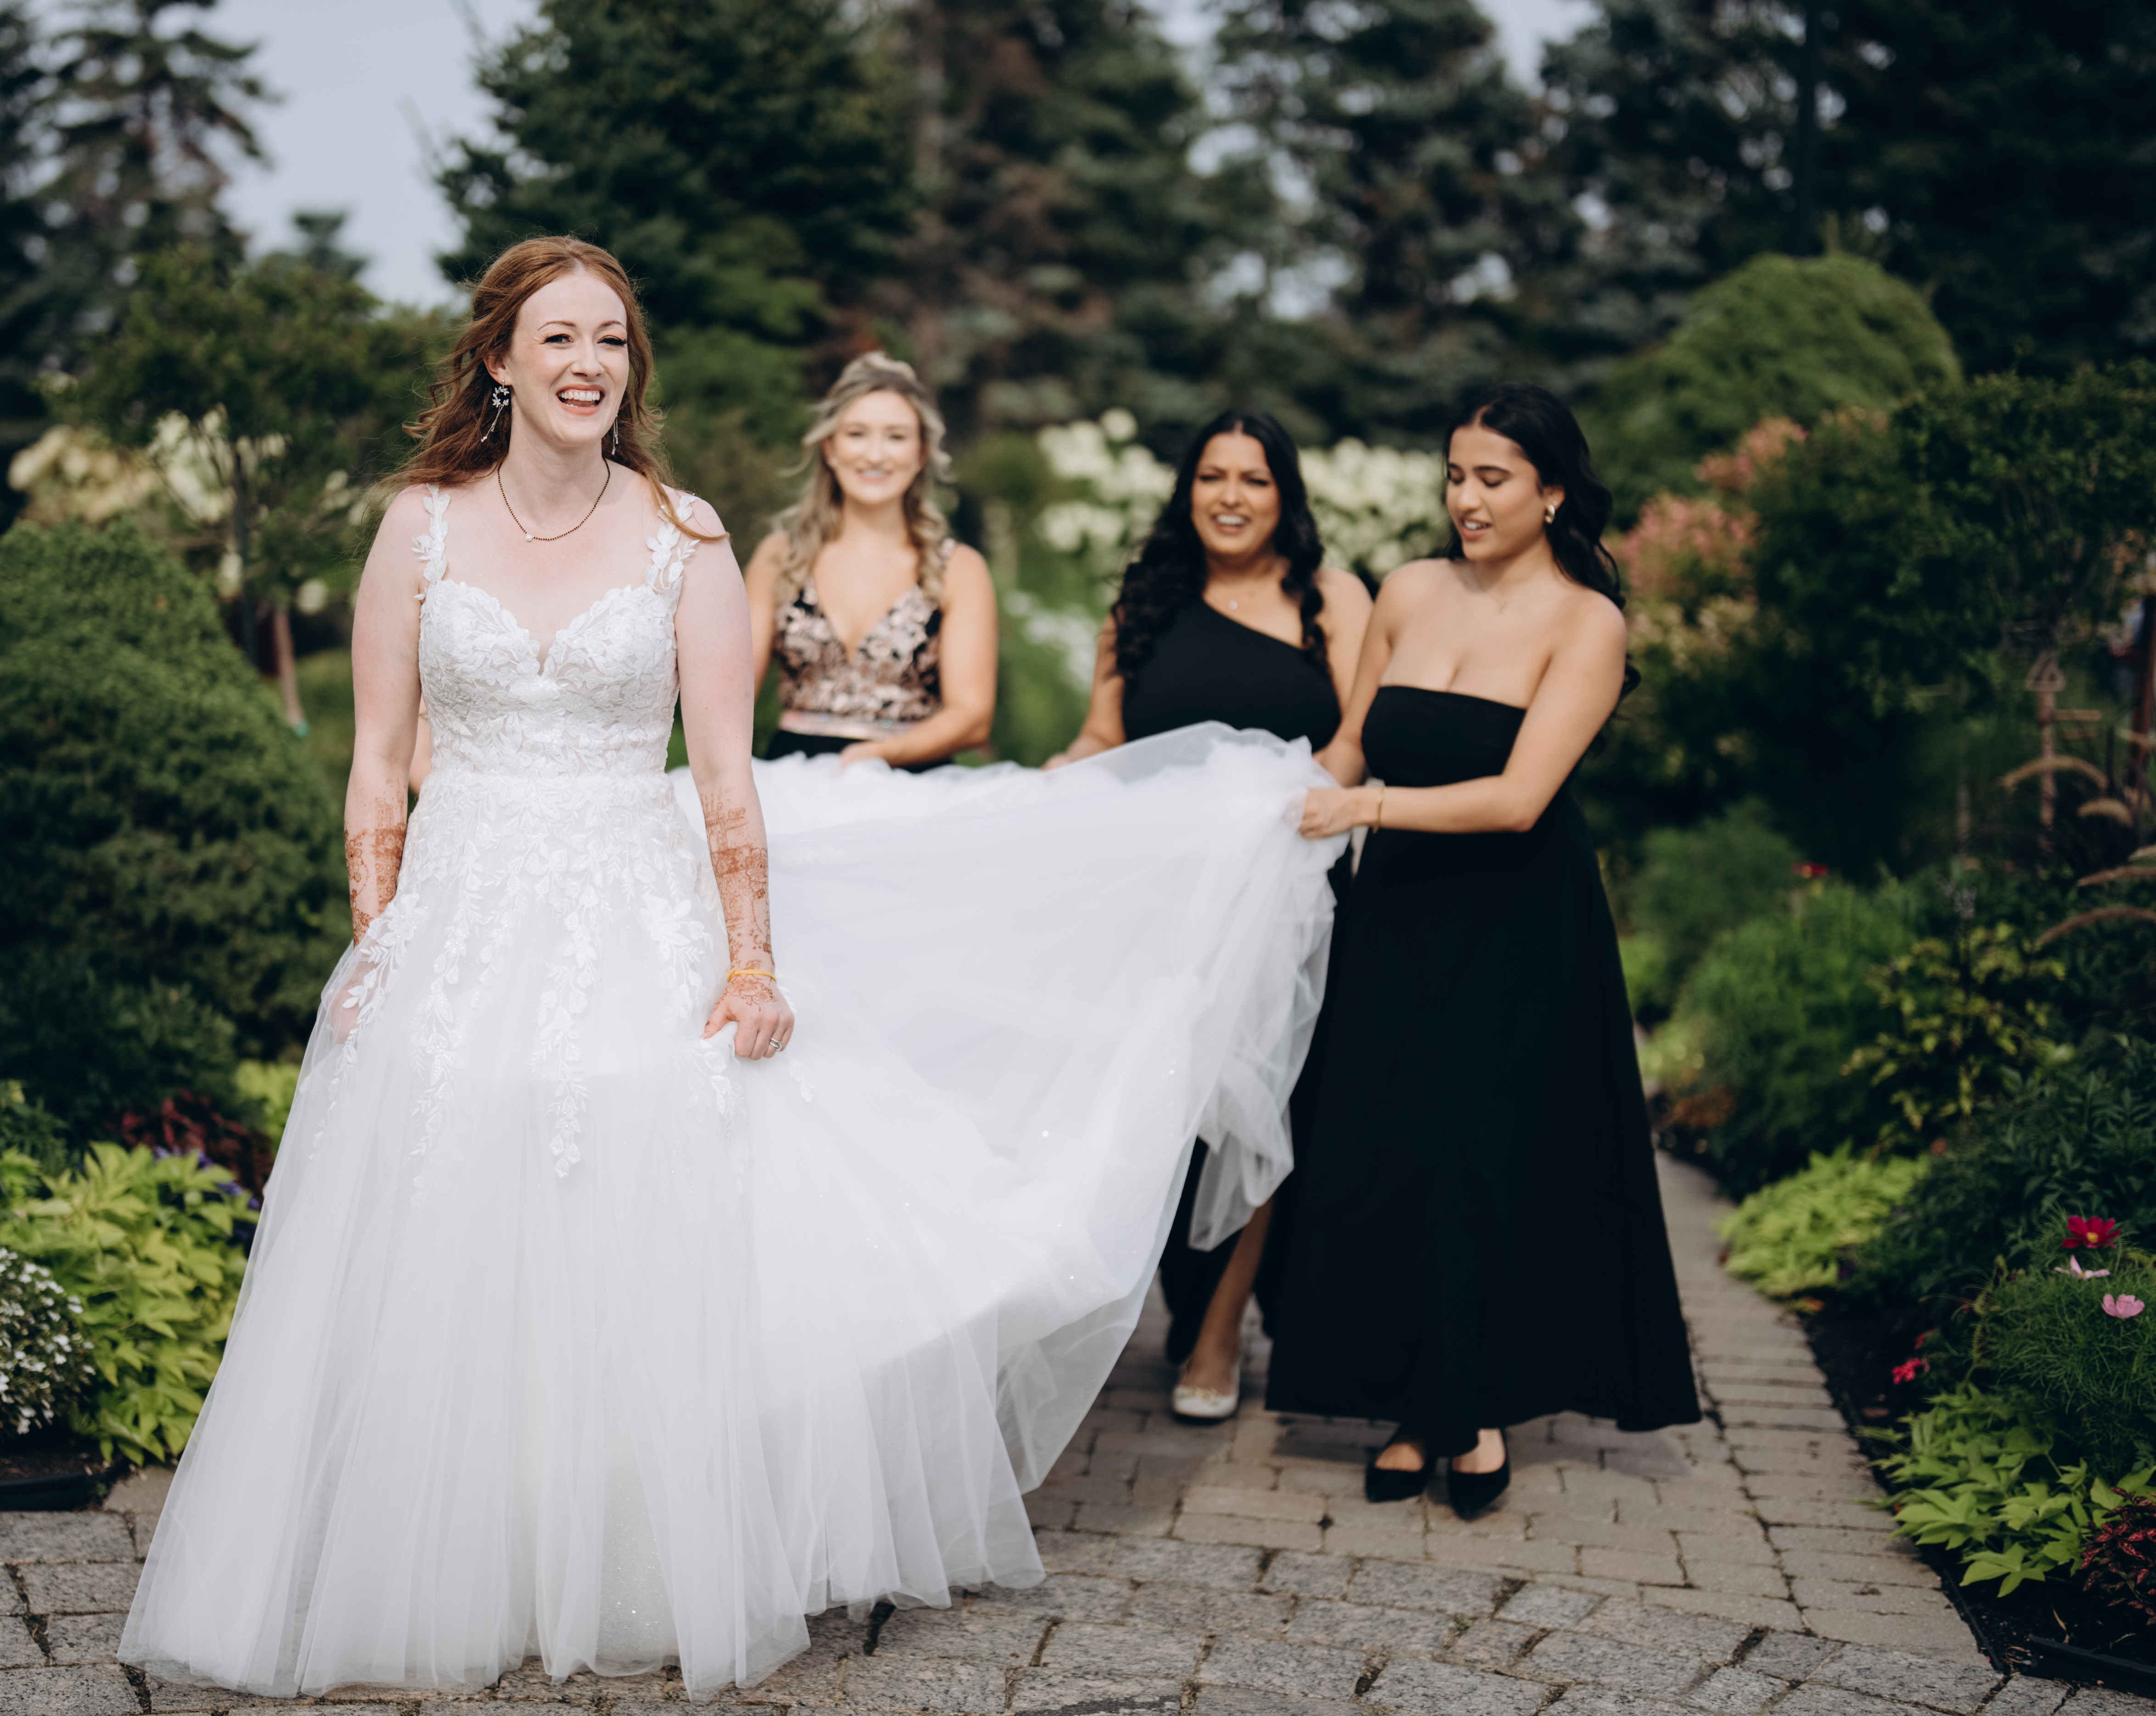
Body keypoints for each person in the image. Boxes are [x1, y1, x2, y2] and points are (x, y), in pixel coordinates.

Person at [120, 236, 1347, 1700]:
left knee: (629, 1207)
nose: (588, 364)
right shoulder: (421, 528)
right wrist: (378, 942)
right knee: (450, 1211)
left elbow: (723, 777)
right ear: (499, 360)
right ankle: (452, 1547)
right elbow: (378, 762)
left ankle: (618, 1543)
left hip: (633, 904)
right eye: (558, 337)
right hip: (459, 918)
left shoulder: (684, 538)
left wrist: (753, 963)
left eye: (612, 341)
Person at [1266, 381, 1700, 1517]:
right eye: (1455, 475)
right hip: (1396, 915)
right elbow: (1351, 747)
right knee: (1391, 1148)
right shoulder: (1408, 591)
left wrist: (1362, 811)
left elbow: (1517, 800)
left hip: (1520, 922)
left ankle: (1482, 1406)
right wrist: (1253, 805)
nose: (1466, 498)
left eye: (1493, 478)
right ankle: (1416, 1403)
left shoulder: (1586, 622)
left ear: (1551, 492)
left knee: (1487, 1156)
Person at [1048, 411, 1371, 1424]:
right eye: (1212, 476)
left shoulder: (1333, 599)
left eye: (1255, 479)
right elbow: (1103, 736)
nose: (1231, 497)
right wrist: (1051, 780)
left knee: (1256, 1101)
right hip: (1157, 899)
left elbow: (1357, 738)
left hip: (1285, 897)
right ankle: (1170, 1303)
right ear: (1187, 490)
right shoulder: (1143, 601)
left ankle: (1225, 1327)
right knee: (1159, 1106)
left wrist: (1296, 816)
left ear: (1286, 496)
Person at [745, 353, 995, 770]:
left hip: (913, 779)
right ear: (830, 447)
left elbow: (972, 717)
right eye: (857, 434)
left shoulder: (959, 568)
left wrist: (877, 757)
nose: (876, 455)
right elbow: (732, 696)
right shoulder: (779, 556)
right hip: (793, 778)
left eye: (896, 437)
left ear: (921, 453)